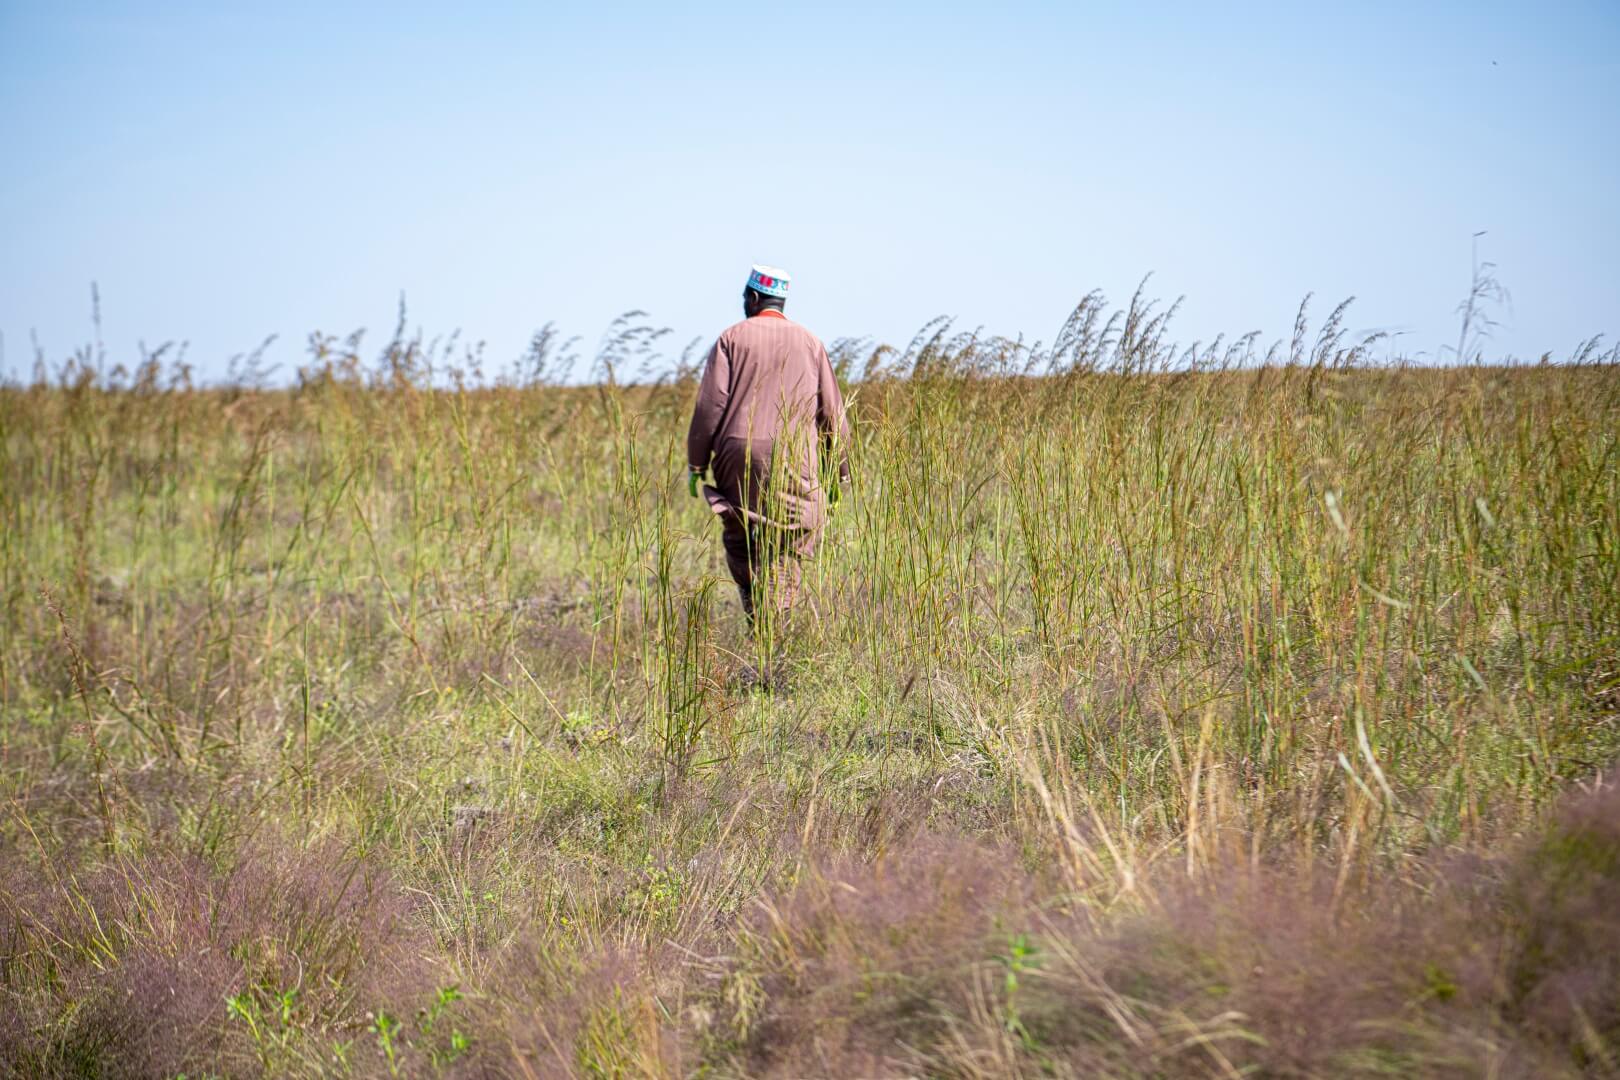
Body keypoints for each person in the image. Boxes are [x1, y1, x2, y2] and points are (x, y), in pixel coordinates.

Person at [686, 265, 851, 624]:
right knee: (789, 541)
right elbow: (832, 414)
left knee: (742, 533)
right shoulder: (810, 342)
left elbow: (710, 406)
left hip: (737, 458)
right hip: (795, 457)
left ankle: (756, 615)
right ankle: (775, 627)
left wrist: (696, 464)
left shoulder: (730, 338)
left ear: (753, 297)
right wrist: (840, 474)